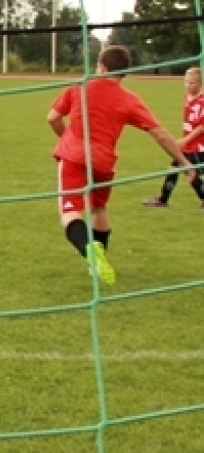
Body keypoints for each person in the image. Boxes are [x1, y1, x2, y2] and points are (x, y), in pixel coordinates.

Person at [48, 45, 197, 285]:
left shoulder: (79, 87)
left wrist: (66, 138)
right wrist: (184, 163)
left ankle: (90, 251)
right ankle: (98, 261)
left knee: (69, 212)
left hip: (74, 158)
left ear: (101, 66)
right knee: (98, 209)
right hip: (104, 163)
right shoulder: (129, 100)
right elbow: (159, 134)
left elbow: (52, 118)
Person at [142, 66, 204, 208]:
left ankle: (164, 199)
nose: (188, 85)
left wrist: (184, 140)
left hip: (199, 147)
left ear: (200, 83)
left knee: (189, 171)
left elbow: (202, 127)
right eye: (186, 82)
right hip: (188, 146)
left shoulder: (202, 102)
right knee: (176, 167)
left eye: (192, 83)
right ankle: (163, 199)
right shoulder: (187, 98)